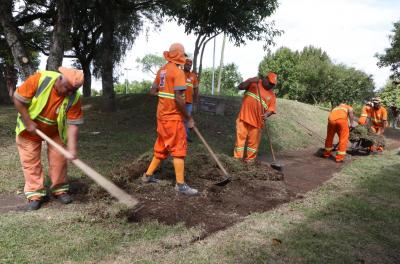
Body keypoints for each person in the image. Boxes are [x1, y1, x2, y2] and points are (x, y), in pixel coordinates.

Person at [13, 67, 84, 211]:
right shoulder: (40, 80)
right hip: (29, 129)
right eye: (66, 88)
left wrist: (72, 148)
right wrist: (27, 121)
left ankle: (60, 189)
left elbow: (73, 125)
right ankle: (35, 194)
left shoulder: (74, 96)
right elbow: (18, 99)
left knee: (59, 160)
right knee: (30, 162)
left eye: (72, 90)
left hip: (54, 131)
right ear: (59, 79)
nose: (68, 93)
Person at [142, 43, 198, 196]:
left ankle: (148, 176)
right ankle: (180, 185)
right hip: (173, 118)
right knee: (179, 149)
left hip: (161, 116)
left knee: (161, 146)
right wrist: (189, 118)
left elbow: (152, 91)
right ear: (180, 55)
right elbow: (179, 99)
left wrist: (164, 94)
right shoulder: (178, 73)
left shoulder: (162, 71)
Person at [233, 72, 277, 163]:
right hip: (243, 118)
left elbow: (271, 109)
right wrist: (250, 80)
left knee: (253, 146)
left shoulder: (272, 95)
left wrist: (266, 114)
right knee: (240, 142)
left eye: (273, 85)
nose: (271, 86)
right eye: (270, 83)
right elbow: (240, 87)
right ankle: (237, 161)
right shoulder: (254, 83)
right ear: (265, 79)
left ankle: (250, 161)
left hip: (257, 123)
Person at [183, 58, 199, 142]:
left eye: (190, 65)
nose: (188, 66)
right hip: (180, 101)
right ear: (184, 64)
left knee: (187, 118)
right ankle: (179, 135)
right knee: (179, 118)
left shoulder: (193, 76)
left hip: (189, 101)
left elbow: (196, 89)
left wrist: (195, 101)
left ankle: (186, 135)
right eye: (187, 65)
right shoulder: (179, 73)